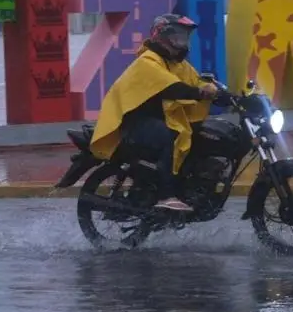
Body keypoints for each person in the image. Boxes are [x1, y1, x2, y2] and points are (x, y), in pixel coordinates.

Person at [89, 14, 218, 212]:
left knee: (199, 134)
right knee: (170, 136)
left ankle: (188, 185)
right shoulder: (148, 61)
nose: (182, 42)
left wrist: (223, 93)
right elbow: (171, 87)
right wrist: (199, 93)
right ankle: (166, 195)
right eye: (177, 37)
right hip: (134, 123)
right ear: (161, 37)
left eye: (185, 37)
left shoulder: (178, 65)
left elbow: (196, 81)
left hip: (158, 119)